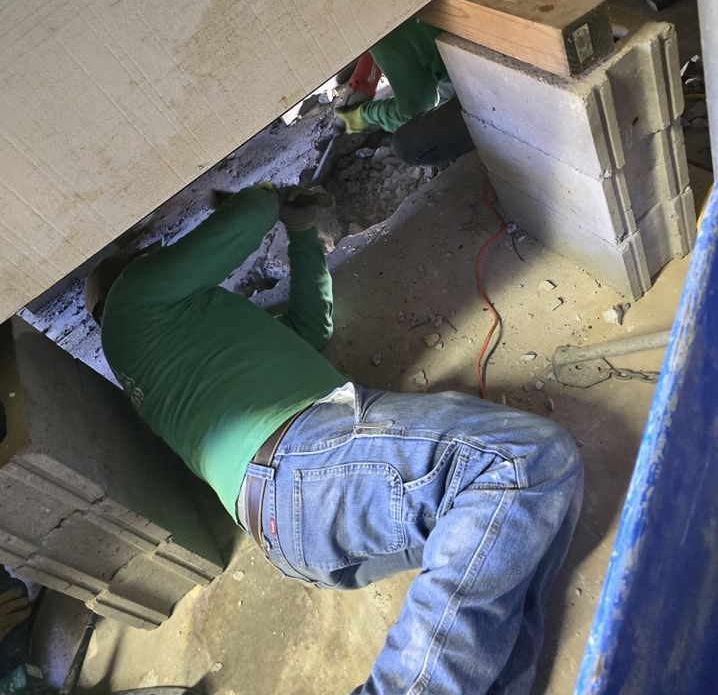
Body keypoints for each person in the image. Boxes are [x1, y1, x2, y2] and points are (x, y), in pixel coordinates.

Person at [86, 184, 583, 695]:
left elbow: (310, 326)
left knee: (513, 537)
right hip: (303, 467)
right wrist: (268, 197)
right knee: (521, 461)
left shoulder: (171, 350)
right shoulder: (134, 295)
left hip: (291, 532)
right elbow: (249, 215)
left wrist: (301, 232)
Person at [336, 18, 475, 166]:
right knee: (438, 75)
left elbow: (412, 112)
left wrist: (363, 114)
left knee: (406, 145)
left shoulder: (386, 41)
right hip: (474, 50)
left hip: (493, 92)